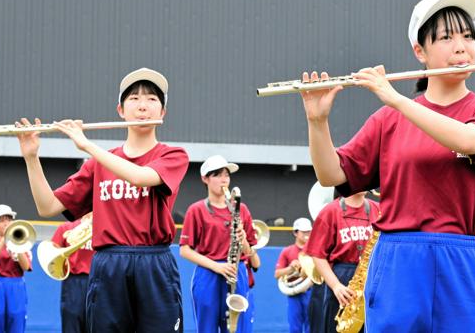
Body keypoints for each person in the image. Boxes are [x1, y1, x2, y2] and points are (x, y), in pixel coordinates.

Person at [299, 0, 475, 332]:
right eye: (446, 38)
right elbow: (331, 175)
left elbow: (472, 140)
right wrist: (317, 122)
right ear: (420, 51)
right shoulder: (388, 121)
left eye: (468, 36)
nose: (462, 46)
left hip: (464, 259)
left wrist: (394, 98)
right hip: (398, 259)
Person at [16, 67, 189, 332]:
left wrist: (87, 146)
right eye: (134, 98)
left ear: (163, 112)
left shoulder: (173, 155)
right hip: (108, 265)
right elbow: (47, 206)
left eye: (152, 99)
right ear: (120, 109)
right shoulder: (97, 164)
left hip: (154, 264)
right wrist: (31, 157)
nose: (143, 106)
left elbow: (142, 177)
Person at [179, 155, 257, 333]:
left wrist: (243, 238)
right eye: (217, 175)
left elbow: (251, 252)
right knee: (207, 328)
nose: (224, 180)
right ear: (205, 179)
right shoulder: (196, 210)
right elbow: (184, 250)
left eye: (226, 175)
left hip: (237, 272)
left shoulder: (241, 209)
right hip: (208, 274)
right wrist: (217, 267)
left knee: (239, 329)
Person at [305, 193, 379, 333]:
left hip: (371, 278)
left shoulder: (378, 209)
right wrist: (336, 286)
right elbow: (317, 255)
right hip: (341, 280)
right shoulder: (330, 211)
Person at [0, 204, 32, 333]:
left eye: (9, 219)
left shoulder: (21, 241)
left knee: (17, 322)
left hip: (16, 285)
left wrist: (16, 244)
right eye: (2, 220)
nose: (6, 223)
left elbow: (26, 266)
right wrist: (4, 240)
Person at [50, 213, 94, 333]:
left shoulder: (104, 228)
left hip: (98, 282)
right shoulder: (66, 228)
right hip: (73, 283)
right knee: (71, 326)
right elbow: (52, 254)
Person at [275, 217, 313, 333]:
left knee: (311, 327)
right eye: (304, 231)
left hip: (311, 291)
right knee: (295, 327)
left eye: (309, 231)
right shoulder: (287, 251)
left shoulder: (314, 249)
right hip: (294, 294)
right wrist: (291, 268)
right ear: (295, 232)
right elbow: (277, 274)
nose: (307, 234)